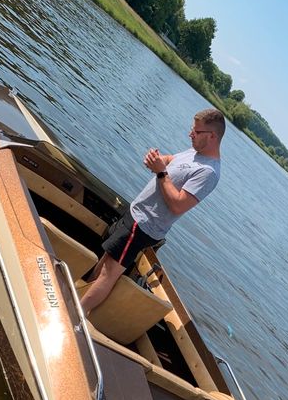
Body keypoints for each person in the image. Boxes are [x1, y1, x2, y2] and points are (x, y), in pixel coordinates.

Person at [80, 109, 225, 316]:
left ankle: (76, 313)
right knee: (105, 261)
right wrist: (158, 160)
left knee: (109, 273)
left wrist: (160, 171)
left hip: (145, 226)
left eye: (196, 131)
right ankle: (79, 296)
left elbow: (178, 205)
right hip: (135, 214)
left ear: (212, 136)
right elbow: (171, 160)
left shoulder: (208, 172)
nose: (190, 134)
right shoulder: (195, 152)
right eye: (192, 129)